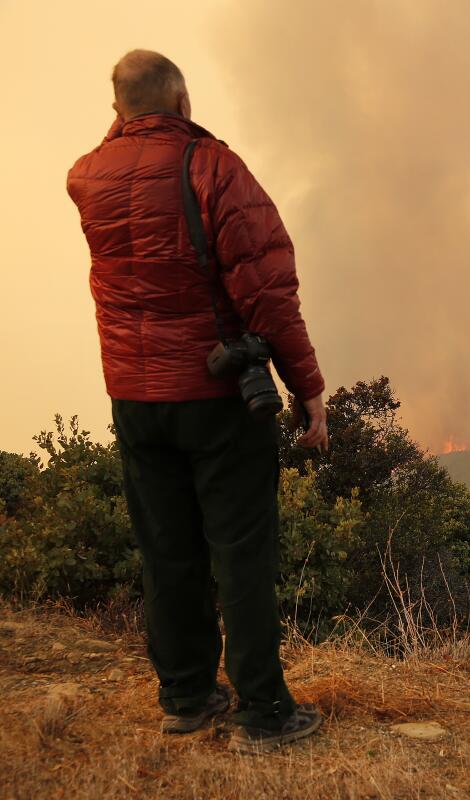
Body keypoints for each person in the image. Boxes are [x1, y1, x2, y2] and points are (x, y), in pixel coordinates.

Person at [66, 49, 329, 753]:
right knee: (239, 552)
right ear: (182, 103)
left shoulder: (86, 175)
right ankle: (263, 712)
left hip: (134, 396)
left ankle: (185, 696)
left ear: (118, 108)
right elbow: (268, 294)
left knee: (166, 551)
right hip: (215, 396)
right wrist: (310, 389)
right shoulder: (213, 168)